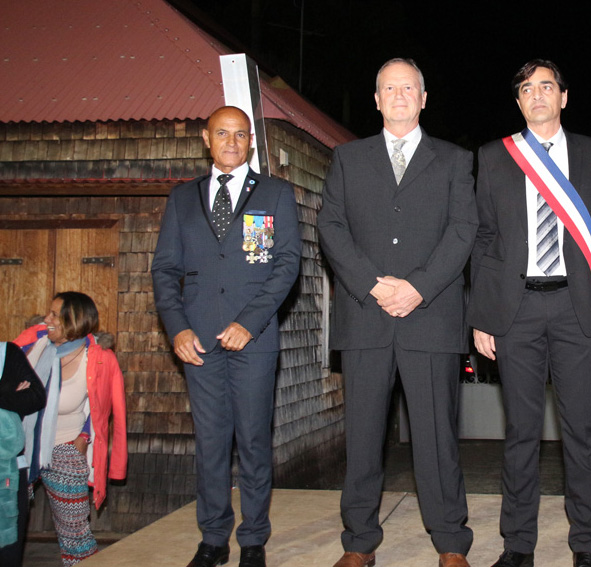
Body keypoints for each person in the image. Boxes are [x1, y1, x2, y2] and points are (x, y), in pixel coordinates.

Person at [317, 58, 477, 567]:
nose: (400, 94)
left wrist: (419, 289)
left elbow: (463, 232)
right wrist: (371, 285)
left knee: (436, 439)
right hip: (366, 318)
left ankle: (451, 540)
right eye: (390, 87)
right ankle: (359, 542)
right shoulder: (347, 158)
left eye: (409, 87)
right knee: (363, 437)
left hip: (430, 319)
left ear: (424, 98)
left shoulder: (454, 160)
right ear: (377, 99)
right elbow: (331, 228)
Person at [468, 59, 591, 567]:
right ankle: (518, 546)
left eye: (547, 86)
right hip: (516, 311)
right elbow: (485, 242)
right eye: (527, 89)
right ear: (518, 102)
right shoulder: (494, 157)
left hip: (577, 308)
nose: (537, 95)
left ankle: (587, 547)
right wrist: (482, 314)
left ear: (563, 96)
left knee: (581, 432)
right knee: (520, 432)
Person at [151, 106, 302, 567]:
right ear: (206, 139)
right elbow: (165, 270)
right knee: (212, 442)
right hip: (198, 344)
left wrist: (248, 322)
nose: (232, 142)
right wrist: (177, 328)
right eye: (222, 133)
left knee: (254, 439)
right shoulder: (182, 198)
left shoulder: (275, 194)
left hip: (252, 342)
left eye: (240, 134)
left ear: (251, 141)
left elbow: (286, 266)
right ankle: (213, 538)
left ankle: (252, 538)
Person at [13, 292, 128, 566]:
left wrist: (84, 437)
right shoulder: (32, 347)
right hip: (23, 448)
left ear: (73, 320)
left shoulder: (99, 359)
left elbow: (101, 406)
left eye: (54, 315)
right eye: (48, 313)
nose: (46, 319)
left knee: (75, 534)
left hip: (65, 446)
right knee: (7, 523)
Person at [0, 341, 45, 567]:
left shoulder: (7, 353)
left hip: (8, 471)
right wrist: (8, 394)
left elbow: (36, 397)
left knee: (8, 550)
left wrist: (3, 398)